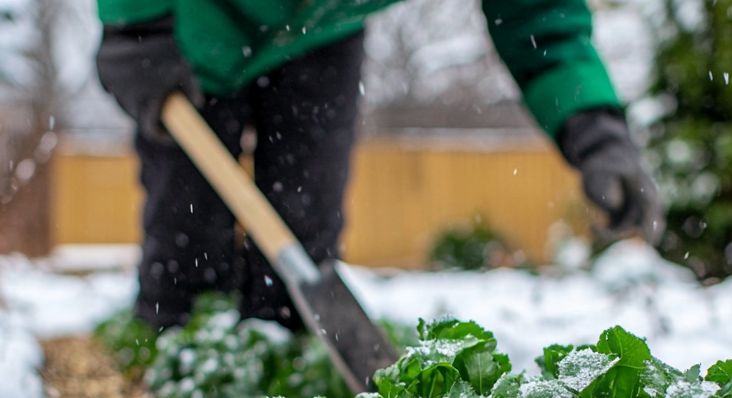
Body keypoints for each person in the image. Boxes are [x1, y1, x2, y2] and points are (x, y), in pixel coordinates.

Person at [95, 1, 661, 331]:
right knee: (187, 238)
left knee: (304, 227)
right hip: (198, 25)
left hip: (321, 30)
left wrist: (594, 126)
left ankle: (280, 358)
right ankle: (174, 356)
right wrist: (135, 23)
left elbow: (537, 11)